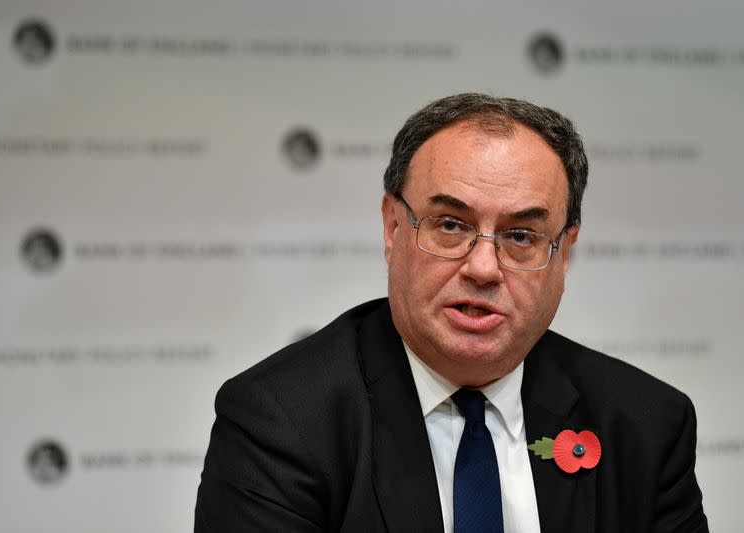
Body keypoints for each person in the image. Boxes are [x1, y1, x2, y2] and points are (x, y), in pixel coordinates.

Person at [195, 93, 708, 532]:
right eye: (450, 225)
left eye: (522, 236)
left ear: (564, 253)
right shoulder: (281, 422)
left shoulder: (646, 424)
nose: (484, 268)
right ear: (394, 228)